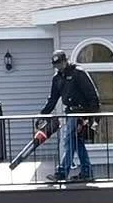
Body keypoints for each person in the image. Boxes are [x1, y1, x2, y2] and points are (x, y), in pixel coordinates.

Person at [35, 49, 101, 182]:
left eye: (60, 63)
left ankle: (62, 172)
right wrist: (43, 114)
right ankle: (86, 172)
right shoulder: (57, 78)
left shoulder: (78, 73)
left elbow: (92, 96)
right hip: (70, 113)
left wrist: (93, 118)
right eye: (56, 65)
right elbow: (52, 99)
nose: (58, 67)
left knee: (69, 141)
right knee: (77, 143)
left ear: (65, 60)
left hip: (82, 112)